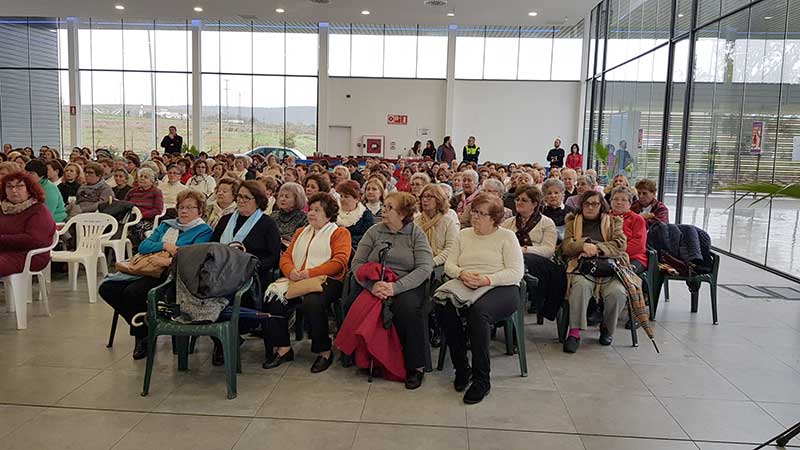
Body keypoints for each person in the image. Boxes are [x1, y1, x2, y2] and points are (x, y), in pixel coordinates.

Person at [99, 190, 212, 359]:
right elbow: (144, 246)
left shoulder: (203, 230)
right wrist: (165, 246)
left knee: (133, 292)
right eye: (181, 207)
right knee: (108, 288)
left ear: (200, 211)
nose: (184, 211)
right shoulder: (168, 224)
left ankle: (142, 337)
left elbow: (193, 256)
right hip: (147, 269)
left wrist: (169, 261)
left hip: (173, 276)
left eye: (190, 207)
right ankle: (145, 324)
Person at [439, 193, 524, 404]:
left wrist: (486, 280)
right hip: (467, 281)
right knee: (442, 304)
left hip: (500, 286)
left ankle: (481, 380)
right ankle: (462, 368)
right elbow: (449, 265)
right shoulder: (464, 234)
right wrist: (461, 274)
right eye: (474, 211)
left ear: (494, 218)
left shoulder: (507, 237)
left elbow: (515, 272)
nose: (475, 217)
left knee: (478, 313)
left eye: (481, 213)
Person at [348, 192, 434, 389]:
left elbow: (424, 268)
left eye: (389, 208)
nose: (383, 211)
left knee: (407, 309)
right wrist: (372, 286)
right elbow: (357, 263)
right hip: (375, 282)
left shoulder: (415, 234)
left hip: (405, 283)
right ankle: (368, 357)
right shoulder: (374, 231)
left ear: (403, 214)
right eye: (384, 206)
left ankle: (415, 366)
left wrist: (395, 288)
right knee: (353, 301)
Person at [262, 192, 352, 373]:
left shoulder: (340, 232)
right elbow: (286, 256)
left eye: (317, 210)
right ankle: (283, 348)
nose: (311, 213)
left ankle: (324, 351)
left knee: (313, 301)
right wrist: (291, 272)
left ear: (329, 214)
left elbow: (339, 262)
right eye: (310, 209)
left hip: (327, 280)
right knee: (273, 299)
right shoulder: (301, 232)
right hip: (297, 278)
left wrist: (309, 273)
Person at [561, 190, 628, 353]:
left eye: (595, 204)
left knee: (617, 292)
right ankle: (575, 332)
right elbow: (566, 246)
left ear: (601, 205)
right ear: (581, 205)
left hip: (608, 268)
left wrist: (597, 248)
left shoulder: (613, 221)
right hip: (582, 267)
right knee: (580, 287)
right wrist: (582, 246)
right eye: (587, 204)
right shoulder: (572, 221)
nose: (590, 207)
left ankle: (606, 327)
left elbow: (620, 245)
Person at [502, 185, 562, 316]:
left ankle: (525, 277)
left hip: (540, 263)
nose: (519, 203)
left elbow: (548, 250)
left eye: (524, 200)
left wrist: (524, 250)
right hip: (511, 261)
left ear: (534, 203)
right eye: (517, 199)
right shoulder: (508, 223)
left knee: (526, 259)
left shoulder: (547, 223)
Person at [0, 171, 57, 278]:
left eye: (20, 186)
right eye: (9, 187)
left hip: (30, 255)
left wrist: (2, 239)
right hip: (4, 251)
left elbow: (34, 239)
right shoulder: (3, 209)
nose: (14, 190)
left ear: (30, 190)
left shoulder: (39, 210)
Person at [414, 184, 459, 267]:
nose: (424, 200)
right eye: (423, 197)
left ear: (439, 200)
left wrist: (433, 262)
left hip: (440, 264)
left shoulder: (448, 222)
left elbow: (451, 248)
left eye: (429, 197)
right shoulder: (415, 222)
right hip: (417, 262)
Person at [609, 186, 647, 273]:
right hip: (607, 255)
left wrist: (614, 252)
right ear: (610, 201)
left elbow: (639, 245)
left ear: (630, 204)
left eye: (623, 200)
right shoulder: (604, 217)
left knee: (622, 274)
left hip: (633, 257)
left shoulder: (637, 219)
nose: (619, 202)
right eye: (615, 199)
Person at [125, 168, 165, 248]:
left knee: (138, 227)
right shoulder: (132, 191)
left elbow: (158, 210)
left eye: (146, 177)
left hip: (147, 219)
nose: (142, 178)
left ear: (152, 181)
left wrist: (141, 215)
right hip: (131, 217)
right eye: (141, 176)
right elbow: (124, 205)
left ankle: (139, 249)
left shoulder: (156, 192)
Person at [336, 180, 374, 252]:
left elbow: (367, 237)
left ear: (356, 199)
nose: (342, 199)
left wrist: (346, 240)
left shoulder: (366, 215)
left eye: (346, 197)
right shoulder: (334, 214)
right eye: (341, 196)